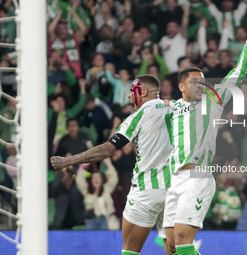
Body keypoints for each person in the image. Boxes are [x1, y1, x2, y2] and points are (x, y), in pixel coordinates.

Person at [163, 10, 247, 255]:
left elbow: (237, 73)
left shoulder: (212, 101)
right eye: (195, 82)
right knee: (171, 246)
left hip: (198, 177)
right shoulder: (172, 108)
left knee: (184, 241)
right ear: (181, 86)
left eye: (203, 81)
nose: (201, 85)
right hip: (173, 179)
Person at [50, 74, 173, 255]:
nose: (130, 97)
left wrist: (68, 160)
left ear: (144, 92)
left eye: (132, 92)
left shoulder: (138, 116)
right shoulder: (178, 109)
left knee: (130, 249)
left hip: (147, 191)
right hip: (174, 190)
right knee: (175, 249)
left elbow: (107, 150)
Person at [76, 158, 120, 230]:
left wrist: (109, 164)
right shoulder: (87, 191)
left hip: (105, 218)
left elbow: (114, 179)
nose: (96, 179)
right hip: (91, 219)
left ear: (102, 179)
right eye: (94, 177)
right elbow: (79, 180)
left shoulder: (106, 189)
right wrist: (82, 167)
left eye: (98, 177)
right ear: (91, 180)